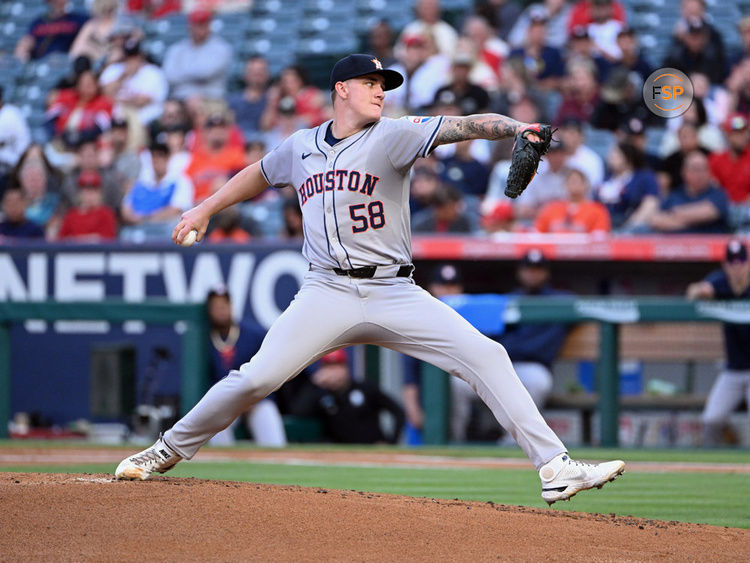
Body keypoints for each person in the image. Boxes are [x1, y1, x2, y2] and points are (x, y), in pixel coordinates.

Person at [115, 53, 624, 505]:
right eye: (370, 82)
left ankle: (555, 469)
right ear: (342, 89)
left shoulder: (395, 134)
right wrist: (205, 207)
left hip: (393, 290)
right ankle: (167, 448)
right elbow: (258, 174)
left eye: (385, 83)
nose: (381, 89)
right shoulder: (301, 145)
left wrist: (516, 128)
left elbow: (466, 125)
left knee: (487, 354)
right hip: (326, 290)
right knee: (257, 378)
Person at [686, 240, 750, 446]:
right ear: (725, 264)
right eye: (732, 261)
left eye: (741, 261)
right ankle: (714, 464)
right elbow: (693, 291)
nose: (736, 266)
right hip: (733, 370)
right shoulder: (721, 282)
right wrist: (701, 291)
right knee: (711, 420)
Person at [205, 287, 287, 447]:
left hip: (256, 399)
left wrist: (254, 398)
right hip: (222, 400)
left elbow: (272, 369)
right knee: (216, 430)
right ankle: (224, 470)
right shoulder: (201, 338)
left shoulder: (253, 334)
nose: (220, 310)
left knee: (272, 434)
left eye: (224, 305)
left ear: (231, 306)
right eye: (216, 306)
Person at [289, 349, 405, 444]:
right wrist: (314, 383)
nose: (333, 372)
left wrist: (391, 442)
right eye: (328, 367)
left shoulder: (365, 388)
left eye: (337, 366)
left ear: (346, 368)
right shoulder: (320, 395)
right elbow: (299, 412)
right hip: (341, 453)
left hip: (372, 448)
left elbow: (398, 411)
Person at [120, 141, 193, 241]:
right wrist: (136, 219)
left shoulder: (180, 181)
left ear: (168, 158)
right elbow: (126, 209)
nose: (156, 160)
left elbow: (176, 209)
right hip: (138, 228)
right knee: (125, 233)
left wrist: (146, 219)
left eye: (160, 156)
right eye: (153, 156)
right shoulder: (140, 182)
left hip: (164, 229)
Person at [648, 151, 730, 234]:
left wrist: (673, 214)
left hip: (710, 245)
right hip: (675, 245)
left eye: (703, 169)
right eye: (695, 169)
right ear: (684, 172)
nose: (699, 174)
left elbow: (708, 212)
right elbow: (656, 220)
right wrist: (701, 224)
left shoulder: (718, 194)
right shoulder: (674, 195)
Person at [162, 9, 233, 102]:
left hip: (211, 99)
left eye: (203, 25)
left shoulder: (221, 48)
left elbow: (206, 73)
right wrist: (195, 75)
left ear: (209, 26)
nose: (200, 29)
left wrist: (182, 72)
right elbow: (169, 76)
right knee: (169, 110)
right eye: (197, 25)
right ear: (190, 27)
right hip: (180, 99)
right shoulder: (177, 48)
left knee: (195, 104)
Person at [535, 168, 611, 234]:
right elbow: (538, 234)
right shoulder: (551, 209)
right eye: (571, 181)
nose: (574, 184)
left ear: (586, 185)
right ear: (565, 185)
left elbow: (599, 237)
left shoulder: (597, 210)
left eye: (577, 181)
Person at [14, 0, 88, 62]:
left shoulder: (78, 19)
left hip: (66, 61)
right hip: (41, 62)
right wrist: (23, 53)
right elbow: (26, 42)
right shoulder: (38, 22)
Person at [57, 170, 117, 241]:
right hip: (73, 252)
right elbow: (61, 240)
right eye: (86, 191)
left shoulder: (106, 214)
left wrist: (75, 239)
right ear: (80, 193)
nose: (89, 195)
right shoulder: (71, 215)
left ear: (100, 193)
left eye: (93, 191)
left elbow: (106, 239)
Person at [708, 113, 750, 204]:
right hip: (723, 208)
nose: (743, 137)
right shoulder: (716, 159)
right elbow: (713, 188)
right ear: (727, 135)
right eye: (737, 133)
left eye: (744, 132)